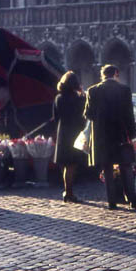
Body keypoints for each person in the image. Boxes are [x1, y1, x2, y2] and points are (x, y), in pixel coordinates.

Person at [84, 64, 136, 210]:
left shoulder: (92, 90)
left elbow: (88, 114)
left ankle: (112, 202)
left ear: (102, 75)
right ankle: (132, 199)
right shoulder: (124, 90)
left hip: (102, 136)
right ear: (116, 73)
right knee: (126, 166)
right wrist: (132, 134)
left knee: (107, 168)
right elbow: (129, 115)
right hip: (121, 134)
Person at [52, 71, 86, 203]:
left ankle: (68, 190)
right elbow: (84, 116)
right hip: (74, 134)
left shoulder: (58, 98)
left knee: (66, 165)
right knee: (71, 165)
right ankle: (69, 193)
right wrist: (82, 94)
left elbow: (56, 118)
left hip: (62, 133)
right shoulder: (79, 99)